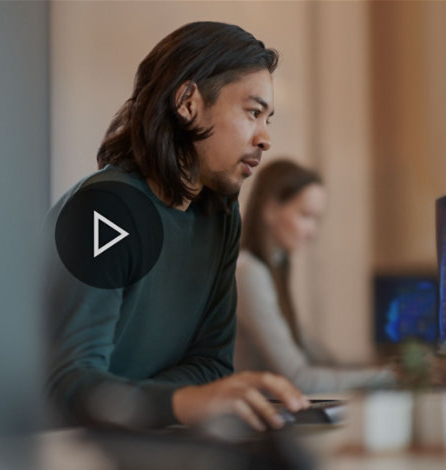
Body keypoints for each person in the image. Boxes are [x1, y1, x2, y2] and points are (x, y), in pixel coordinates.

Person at [43, 22, 310, 433]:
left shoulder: (220, 216)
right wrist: (181, 403)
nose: (265, 138)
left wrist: (156, 404)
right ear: (188, 102)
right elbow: (68, 386)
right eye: (253, 112)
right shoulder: (107, 210)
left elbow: (212, 365)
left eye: (268, 119)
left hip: (143, 440)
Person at [234, 159, 394, 393]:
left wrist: (385, 370)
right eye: (306, 216)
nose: (313, 232)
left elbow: (318, 357)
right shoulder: (249, 272)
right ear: (270, 209)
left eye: (316, 220)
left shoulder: (274, 268)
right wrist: (387, 377)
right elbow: (299, 378)